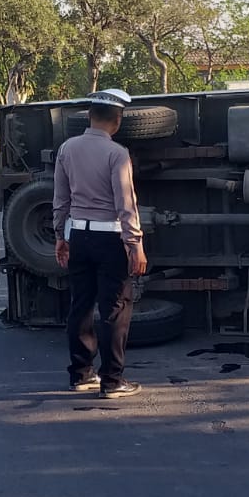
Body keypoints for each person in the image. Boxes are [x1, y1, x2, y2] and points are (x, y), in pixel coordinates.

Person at [52, 88, 147, 398]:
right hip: (110, 238)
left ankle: (80, 374)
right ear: (117, 121)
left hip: (77, 235)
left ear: (89, 117)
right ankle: (113, 380)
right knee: (115, 308)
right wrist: (135, 244)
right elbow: (125, 202)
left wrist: (59, 236)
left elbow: (60, 198)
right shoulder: (117, 153)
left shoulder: (67, 148)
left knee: (80, 305)